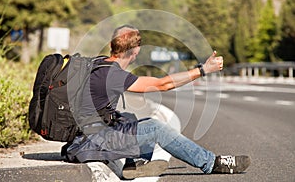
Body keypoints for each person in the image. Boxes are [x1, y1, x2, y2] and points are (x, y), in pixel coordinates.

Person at [65, 24, 250, 179]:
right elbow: (163, 84)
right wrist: (202, 70)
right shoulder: (112, 74)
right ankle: (211, 163)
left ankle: (136, 165)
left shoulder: (99, 63)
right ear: (134, 51)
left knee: (127, 117)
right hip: (90, 143)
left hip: (81, 139)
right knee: (155, 127)